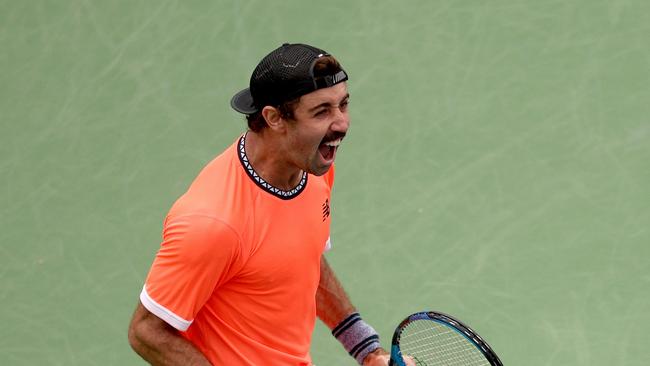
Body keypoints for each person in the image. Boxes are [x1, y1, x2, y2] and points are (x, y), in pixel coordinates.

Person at [127, 43, 411, 366]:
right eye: (321, 112)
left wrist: (367, 350)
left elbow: (302, 258)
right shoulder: (213, 222)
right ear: (274, 118)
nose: (341, 124)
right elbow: (147, 331)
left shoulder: (314, 165)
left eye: (342, 105)